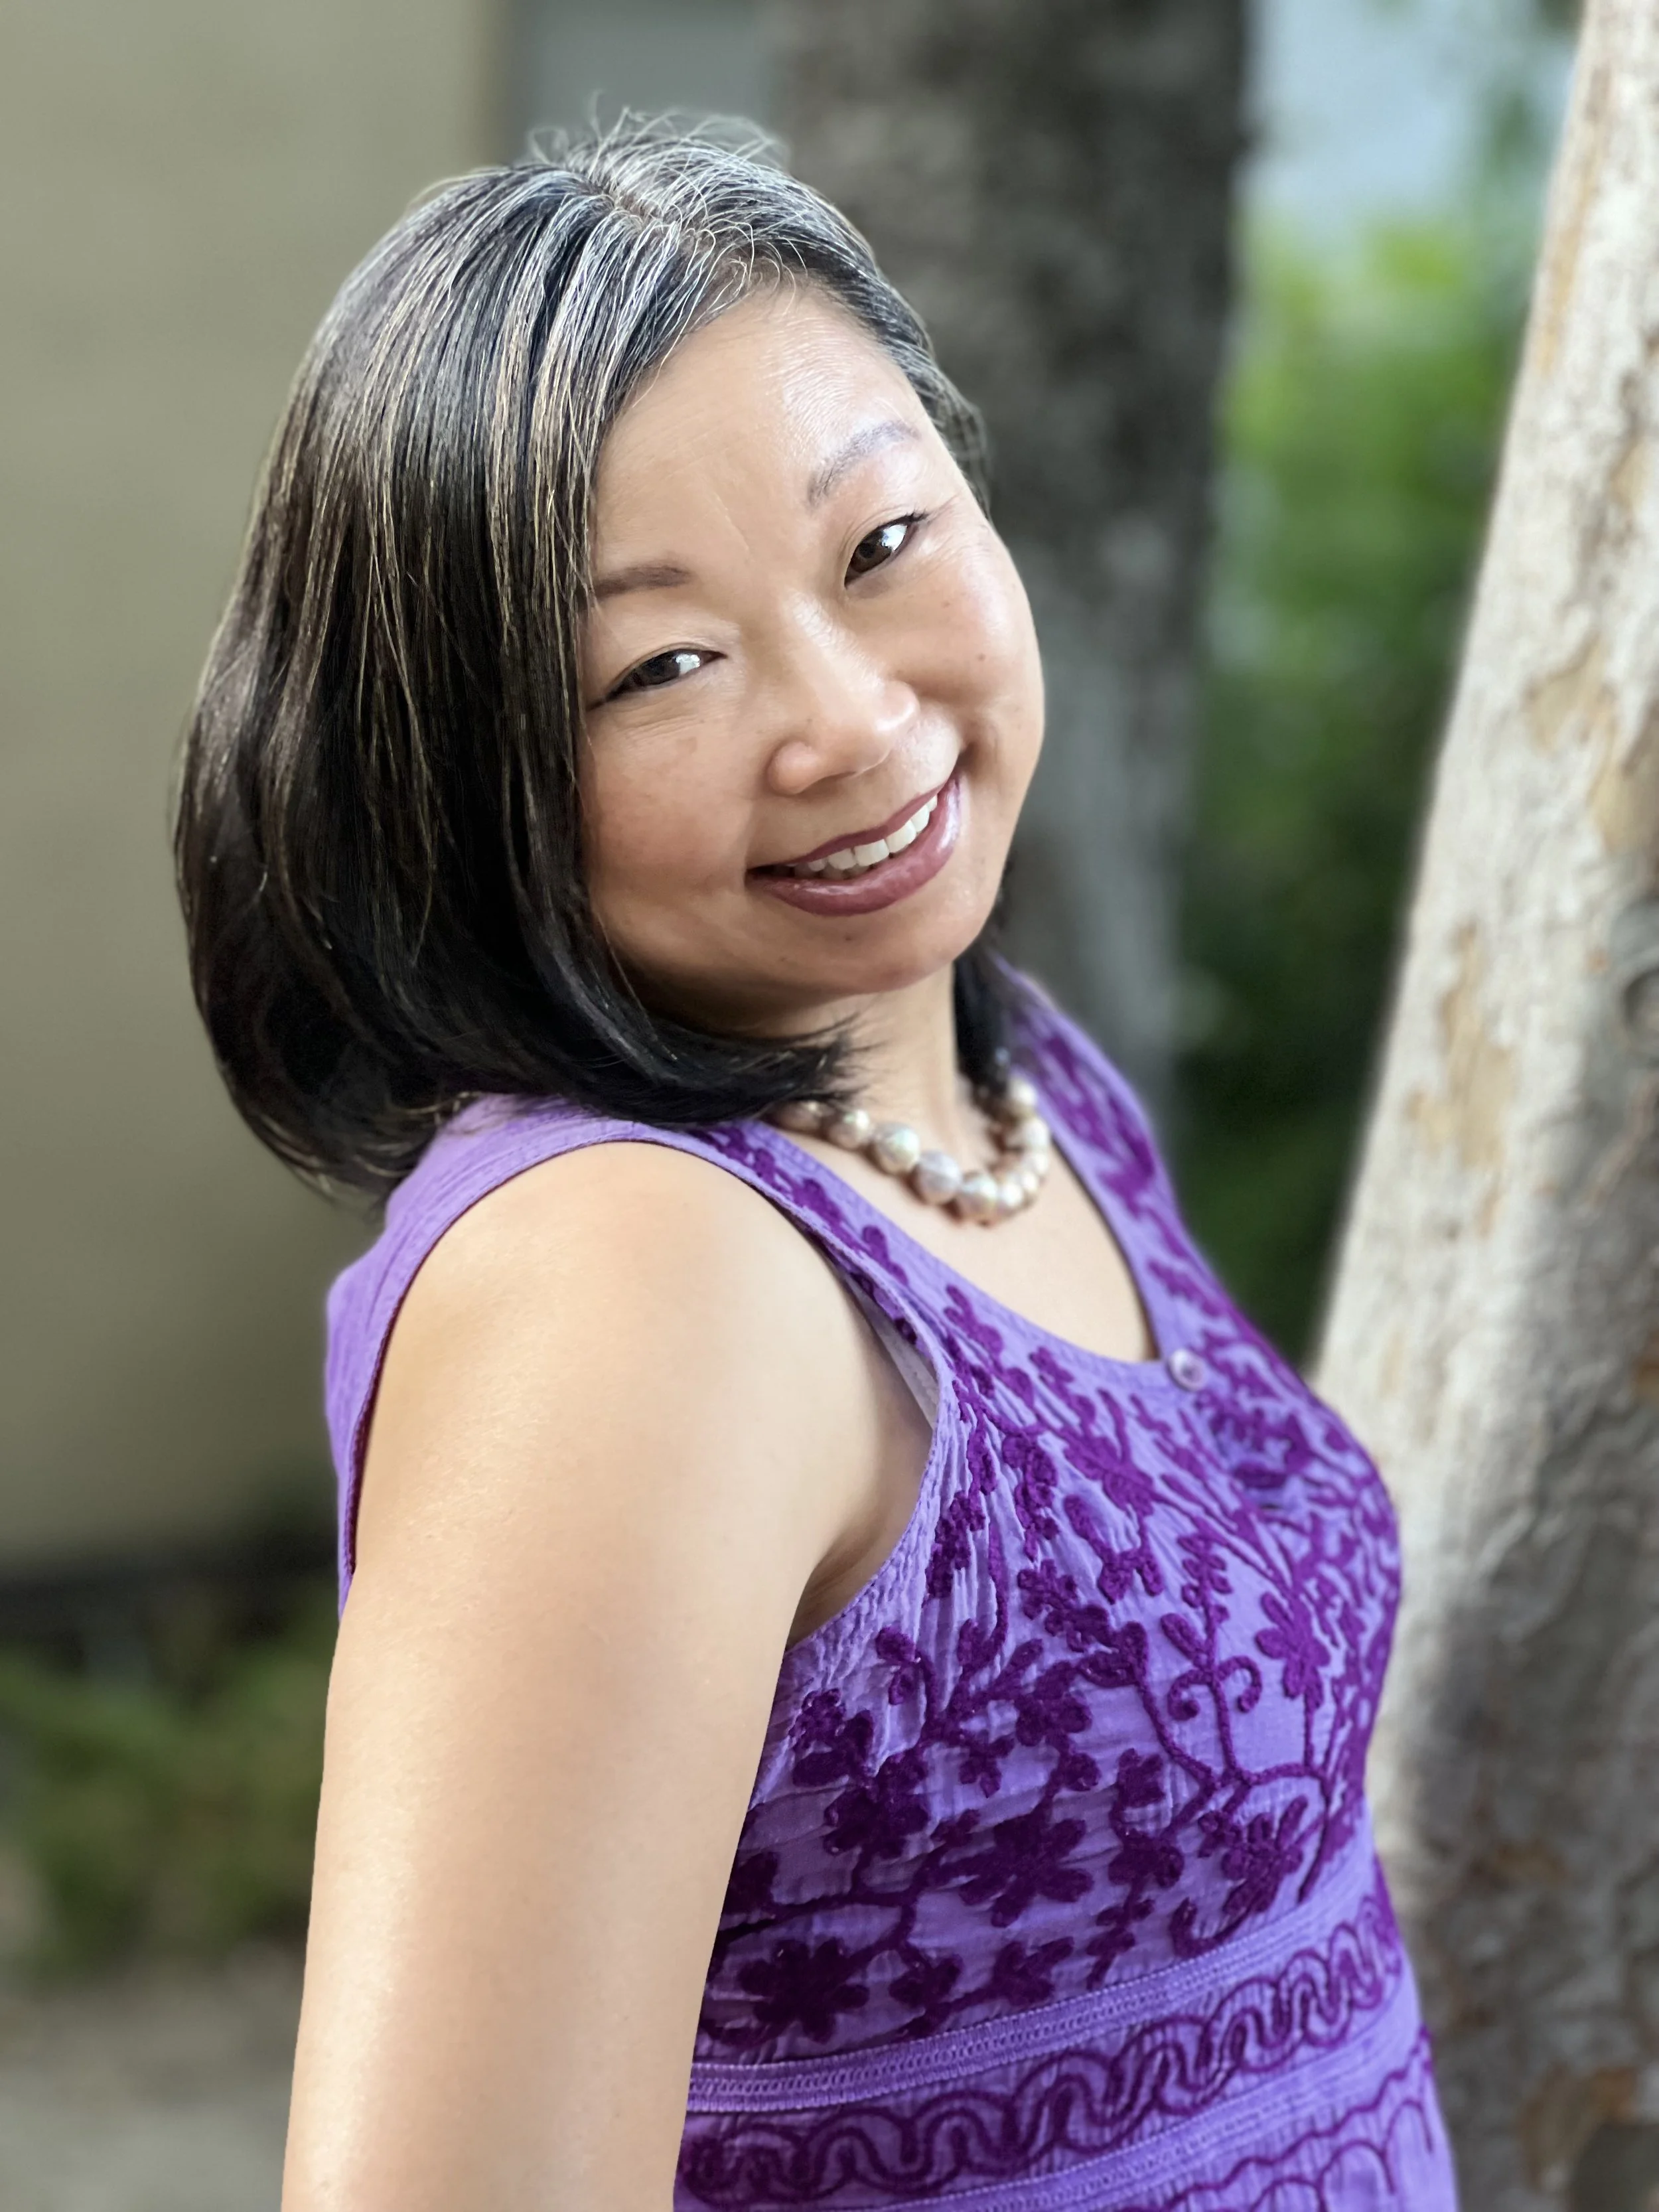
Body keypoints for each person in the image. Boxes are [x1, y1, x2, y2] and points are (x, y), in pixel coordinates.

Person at [177, 119, 1459, 2212]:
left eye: (878, 544)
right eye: (661, 665)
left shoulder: (1014, 1085)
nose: (849, 720)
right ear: (466, 778)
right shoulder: (628, 1275)